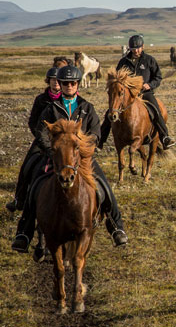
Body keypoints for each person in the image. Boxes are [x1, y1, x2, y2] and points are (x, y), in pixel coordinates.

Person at [12, 66, 128, 252]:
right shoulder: (51, 108)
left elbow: (96, 133)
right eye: (65, 83)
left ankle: (116, 227)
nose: (68, 86)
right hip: (55, 157)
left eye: (72, 83)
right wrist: (52, 150)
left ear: (77, 84)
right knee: (35, 187)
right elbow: (41, 133)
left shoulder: (86, 107)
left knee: (103, 186)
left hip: (81, 158)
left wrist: (83, 148)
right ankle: (24, 233)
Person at [6, 67, 63, 213]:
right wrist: (41, 138)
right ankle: (19, 198)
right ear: (48, 81)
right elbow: (32, 121)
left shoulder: (68, 100)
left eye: (58, 80)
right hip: (42, 140)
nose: (55, 82)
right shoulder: (41, 99)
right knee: (27, 165)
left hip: (63, 142)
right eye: (52, 79)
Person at [104, 34, 175, 150]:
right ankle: (101, 141)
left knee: (156, 110)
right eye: (133, 48)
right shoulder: (123, 62)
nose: (136, 50)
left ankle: (165, 137)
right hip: (127, 96)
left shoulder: (149, 60)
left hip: (145, 93)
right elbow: (117, 79)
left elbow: (158, 77)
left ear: (142, 47)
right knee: (110, 112)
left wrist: (150, 85)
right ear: (129, 48)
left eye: (138, 48)